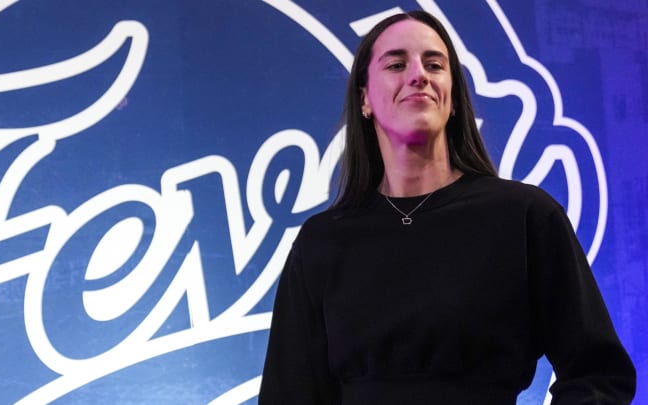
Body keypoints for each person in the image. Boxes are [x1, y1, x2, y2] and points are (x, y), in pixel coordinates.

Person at [258, 10, 636, 405]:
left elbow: (599, 375)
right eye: (397, 64)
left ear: (453, 97)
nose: (418, 75)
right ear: (365, 98)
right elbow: (289, 394)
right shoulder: (323, 241)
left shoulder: (525, 217)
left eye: (434, 64)